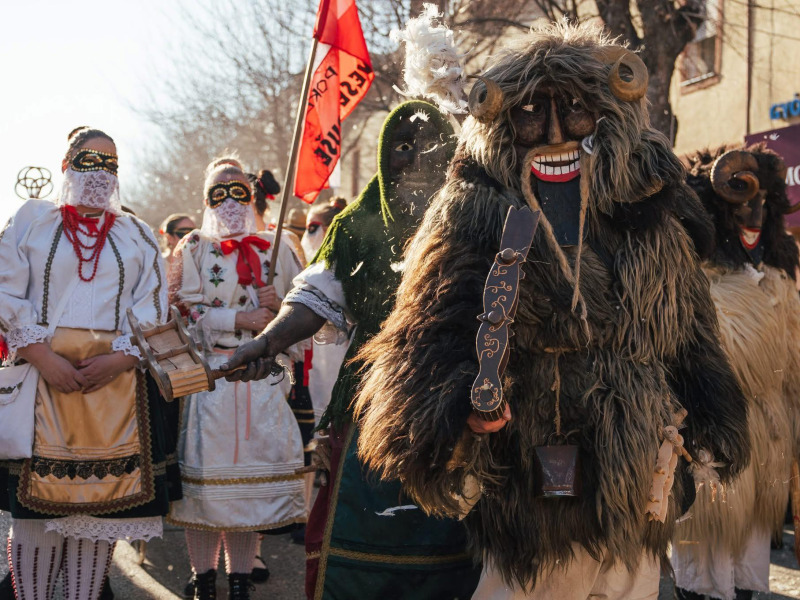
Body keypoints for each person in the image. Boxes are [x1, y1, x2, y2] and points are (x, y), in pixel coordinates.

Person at [349, 23, 751, 599]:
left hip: (632, 455)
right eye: (533, 113)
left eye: (576, 111)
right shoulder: (472, 210)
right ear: (505, 125)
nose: (557, 132)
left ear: (604, 116)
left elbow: (688, 330)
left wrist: (712, 418)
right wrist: (457, 406)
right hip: (523, 461)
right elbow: (427, 333)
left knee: (627, 585)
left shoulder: (646, 210)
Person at [220, 100, 481, 600]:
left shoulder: (476, 219)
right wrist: (268, 342)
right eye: (403, 148)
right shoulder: (357, 223)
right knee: (364, 530)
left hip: (459, 397)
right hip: (373, 399)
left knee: (457, 542)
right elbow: (314, 299)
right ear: (385, 157)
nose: (418, 159)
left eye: (431, 147)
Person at [0, 126, 179, 600]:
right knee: (35, 516)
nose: (100, 173)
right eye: (89, 161)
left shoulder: (136, 232)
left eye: (110, 164)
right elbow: (5, 290)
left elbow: (154, 305)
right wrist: (41, 356)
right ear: (66, 165)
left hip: (112, 391)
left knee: (96, 518)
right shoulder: (33, 221)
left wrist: (121, 359)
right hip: (42, 386)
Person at [166, 157, 305, 600]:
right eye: (217, 191)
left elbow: (305, 312)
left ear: (252, 192)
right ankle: (204, 579)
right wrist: (239, 316)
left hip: (261, 382)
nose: (228, 199)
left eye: (237, 189)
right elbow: (181, 311)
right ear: (206, 199)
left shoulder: (278, 245)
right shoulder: (192, 247)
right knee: (206, 492)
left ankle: (241, 579)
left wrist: (278, 302)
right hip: (210, 381)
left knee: (248, 492)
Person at [671, 146, 800, 600]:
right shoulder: (693, 280)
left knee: (747, 556)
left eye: (763, 201)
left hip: (768, 439)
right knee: (707, 550)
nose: (755, 212)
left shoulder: (780, 280)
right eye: (742, 199)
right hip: (716, 433)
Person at [300, 197, 348, 424]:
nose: (307, 235)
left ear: (329, 229)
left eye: (312, 228)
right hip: (313, 344)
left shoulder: (344, 261)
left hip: (337, 343)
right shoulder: (308, 263)